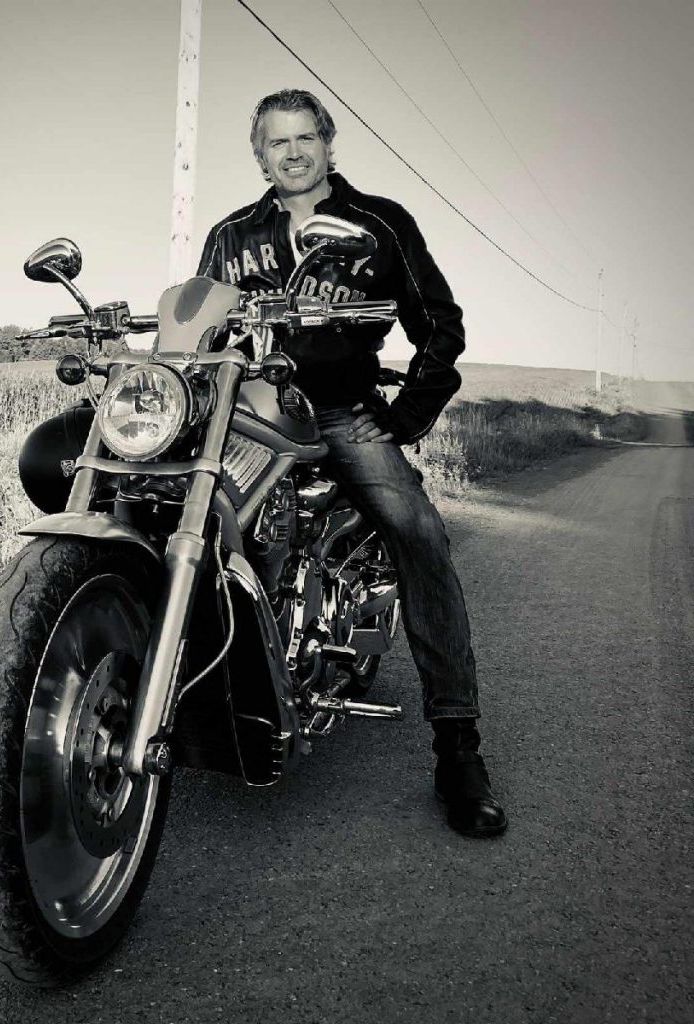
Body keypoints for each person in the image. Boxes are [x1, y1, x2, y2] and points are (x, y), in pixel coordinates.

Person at [197, 88, 507, 838]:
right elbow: (201, 327)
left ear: (328, 143)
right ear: (260, 155)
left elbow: (440, 323)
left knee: (418, 536)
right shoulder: (232, 235)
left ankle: (458, 746)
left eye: (306, 137)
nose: (294, 152)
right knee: (185, 523)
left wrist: (407, 415)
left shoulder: (380, 223)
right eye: (278, 141)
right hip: (248, 415)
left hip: (340, 413)